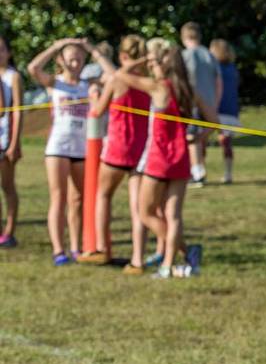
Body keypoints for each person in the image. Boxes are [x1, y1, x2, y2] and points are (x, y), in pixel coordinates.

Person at [114, 41, 215, 278]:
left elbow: (121, 73)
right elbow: (213, 119)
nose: (149, 66)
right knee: (174, 215)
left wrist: (141, 60)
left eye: (151, 62)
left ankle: (186, 251)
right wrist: (198, 138)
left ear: (162, 64)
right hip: (181, 159)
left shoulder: (158, 87)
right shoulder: (188, 89)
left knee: (146, 212)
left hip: (159, 158)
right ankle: (168, 266)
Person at [28, 38, 114, 265]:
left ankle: (76, 246)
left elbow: (113, 75)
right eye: (71, 59)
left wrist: (92, 50)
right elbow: (33, 68)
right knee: (59, 198)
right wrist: (59, 45)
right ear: (62, 60)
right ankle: (59, 250)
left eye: (79, 59)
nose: (75, 63)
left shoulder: (89, 84)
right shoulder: (55, 83)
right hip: (58, 147)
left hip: (82, 148)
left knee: (78, 200)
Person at [78, 35, 152, 272]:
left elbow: (98, 112)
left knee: (103, 195)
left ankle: (101, 248)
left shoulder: (117, 80)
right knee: (137, 206)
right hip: (140, 148)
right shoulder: (148, 82)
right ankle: (137, 259)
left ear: (122, 56)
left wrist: (94, 98)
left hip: (119, 148)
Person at [180, 22, 222, 187]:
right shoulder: (209, 55)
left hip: (194, 103)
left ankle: (197, 172)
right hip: (210, 102)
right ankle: (198, 168)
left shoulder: (186, 55)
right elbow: (219, 81)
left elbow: (186, 80)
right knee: (200, 139)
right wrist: (215, 102)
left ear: (184, 37)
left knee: (193, 138)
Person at [0, 35, 23, 248]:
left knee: (7, 186)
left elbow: (15, 110)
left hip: (5, 138)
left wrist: (15, 142)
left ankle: (9, 232)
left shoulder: (13, 76)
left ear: (9, 53)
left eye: (1, 49)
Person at [209, 38, 240, 185]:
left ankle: (198, 169)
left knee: (201, 139)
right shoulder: (232, 69)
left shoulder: (216, 69)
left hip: (219, 109)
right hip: (231, 110)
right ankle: (228, 173)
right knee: (226, 143)